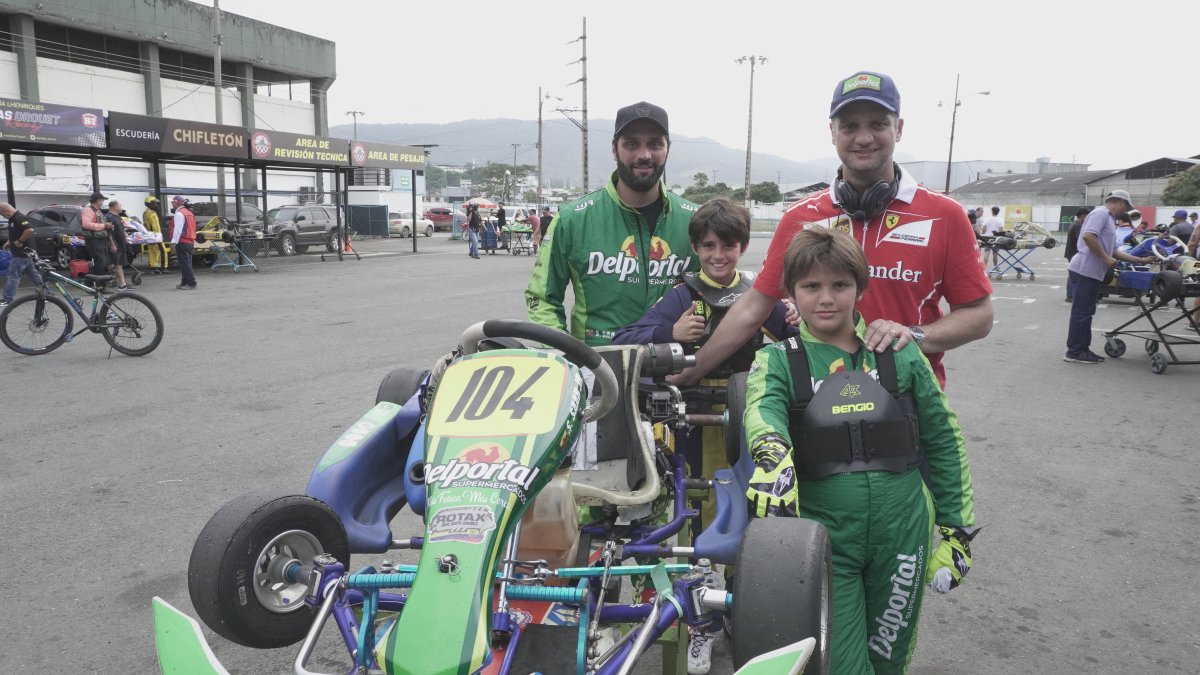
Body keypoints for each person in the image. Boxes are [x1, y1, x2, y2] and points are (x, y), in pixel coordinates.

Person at [743, 226, 977, 674]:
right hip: (827, 539)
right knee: (845, 666)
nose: (826, 298)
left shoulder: (901, 353)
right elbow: (762, 410)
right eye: (811, 286)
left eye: (840, 285)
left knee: (888, 663)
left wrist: (956, 530)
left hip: (904, 533)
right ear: (790, 292)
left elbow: (945, 440)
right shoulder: (776, 359)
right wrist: (771, 452)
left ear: (860, 288)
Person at [674, 71, 992, 389]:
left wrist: (914, 336)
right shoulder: (800, 218)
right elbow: (753, 310)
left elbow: (979, 315)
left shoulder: (944, 215)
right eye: (850, 126)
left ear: (899, 129)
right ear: (832, 132)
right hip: (816, 403)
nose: (863, 137)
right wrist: (689, 373)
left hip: (910, 402)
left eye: (878, 124)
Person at [612, 196, 793, 674]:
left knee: (745, 516)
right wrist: (668, 331)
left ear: (743, 246)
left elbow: (797, 340)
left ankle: (738, 607)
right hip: (688, 426)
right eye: (709, 246)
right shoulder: (680, 296)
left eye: (729, 245)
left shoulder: (761, 297)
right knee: (690, 518)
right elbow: (626, 337)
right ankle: (699, 623)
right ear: (696, 247)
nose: (719, 255)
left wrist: (794, 319)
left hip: (742, 424)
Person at [526, 100, 699, 346]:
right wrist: (565, 355)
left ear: (667, 149)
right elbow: (541, 298)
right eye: (631, 144)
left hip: (677, 370)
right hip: (598, 368)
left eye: (655, 144)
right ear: (615, 150)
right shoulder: (572, 219)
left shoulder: (696, 220)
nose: (644, 155)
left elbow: (718, 291)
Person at [1064, 190, 1153, 364]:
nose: (1125, 211)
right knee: (1082, 312)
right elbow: (1088, 236)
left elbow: (1113, 251)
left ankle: (1082, 349)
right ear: (1120, 201)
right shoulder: (1101, 214)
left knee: (1087, 311)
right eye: (1126, 206)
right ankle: (1074, 351)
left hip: (1091, 271)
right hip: (1084, 270)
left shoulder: (1108, 219)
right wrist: (1105, 258)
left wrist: (1141, 259)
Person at [1, 202, 43, 307]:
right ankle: (46, 292)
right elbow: (16, 233)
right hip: (24, 253)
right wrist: (9, 242)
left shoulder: (19, 218)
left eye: (2, 214)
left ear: (7, 211)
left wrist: (20, 241)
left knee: (13, 275)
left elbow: (29, 230)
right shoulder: (13, 219)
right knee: (33, 275)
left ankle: (8, 298)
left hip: (21, 252)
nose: (2, 216)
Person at [169, 195, 197, 290]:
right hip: (190, 241)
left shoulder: (179, 214)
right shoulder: (189, 213)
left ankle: (191, 283)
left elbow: (178, 229)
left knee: (185, 263)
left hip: (182, 241)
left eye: (172, 202)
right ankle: (184, 282)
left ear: (176, 203)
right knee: (186, 262)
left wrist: (173, 242)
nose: (171, 204)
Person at [81, 192, 112, 275]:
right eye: (102, 200)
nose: (103, 202)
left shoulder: (98, 211)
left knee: (105, 263)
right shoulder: (88, 210)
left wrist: (108, 226)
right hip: (93, 240)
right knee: (101, 262)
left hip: (101, 239)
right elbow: (86, 224)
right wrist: (104, 226)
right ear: (98, 201)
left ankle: (101, 283)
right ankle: (90, 281)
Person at [1063, 207, 1090, 302]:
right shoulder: (1078, 226)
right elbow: (1082, 240)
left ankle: (1071, 294)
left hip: (1071, 252)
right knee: (1073, 275)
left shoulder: (1074, 224)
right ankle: (1071, 295)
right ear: (1083, 215)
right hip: (1074, 253)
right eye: (1087, 216)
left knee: (1073, 274)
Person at [105, 200, 129, 289]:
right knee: (115, 264)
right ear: (115, 207)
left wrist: (126, 240)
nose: (121, 207)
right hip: (115, 244)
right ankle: (122, 285)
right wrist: (112, 244)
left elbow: (121, 230)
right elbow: (108, 233)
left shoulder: (118, 217)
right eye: (120, 205)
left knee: (119, 264)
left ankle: (122, 284)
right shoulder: (108, 217)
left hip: (121, 243)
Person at [143, 196, 168, 274]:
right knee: (160, 251)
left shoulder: (149, 212)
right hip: (154, 235)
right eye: (154, 204)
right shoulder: (149, 213)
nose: (156, 205)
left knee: (154, 251)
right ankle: (162, 268)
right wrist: (156, 235)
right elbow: (150, 225)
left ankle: (154, 267)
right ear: (149, 204)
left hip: (153, 235)